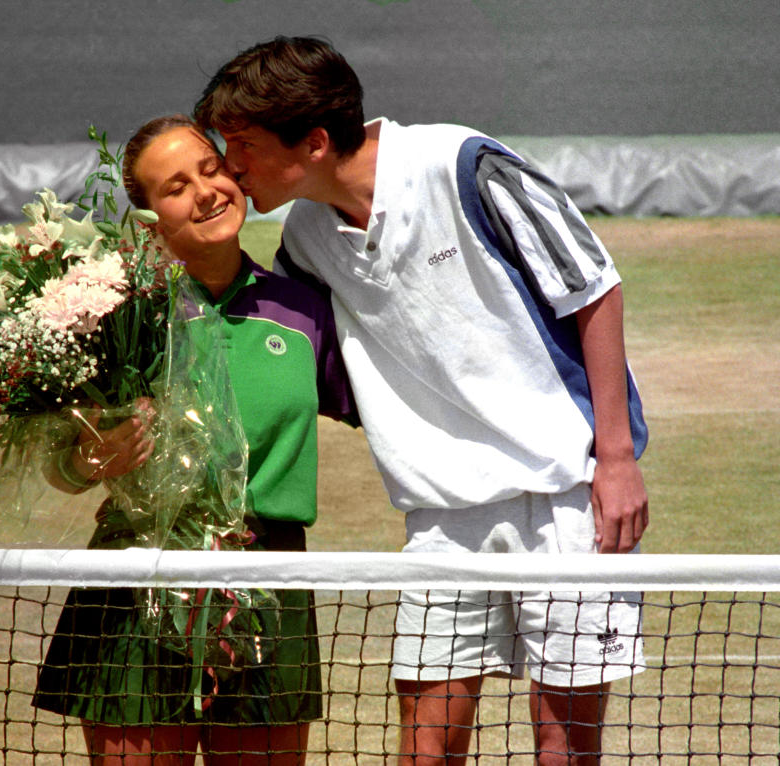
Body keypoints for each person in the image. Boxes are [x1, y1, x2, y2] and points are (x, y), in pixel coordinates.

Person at [194, 36, 649, 766]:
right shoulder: (306, 239)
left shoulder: (466, 164)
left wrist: (616, 456)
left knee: (564, 749)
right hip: (440, 518)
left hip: (565, 493)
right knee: (424, 752)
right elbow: (303, 363)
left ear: (313, 141)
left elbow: (594, 287)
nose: (231, 164)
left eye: (240, 144)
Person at [32, 114, 358, 766]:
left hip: (271, 584)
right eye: (177, 186)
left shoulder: (305, 311)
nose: (206, 191)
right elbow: (61, 464)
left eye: (211, 170)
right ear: (150, 218)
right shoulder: (115, 318)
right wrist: (96, 456)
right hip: (136, 583)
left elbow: (391, 410)